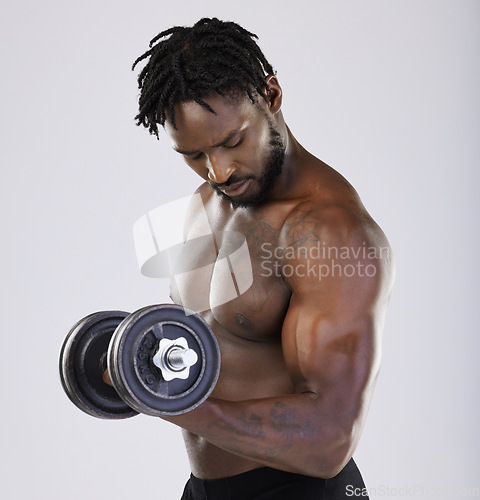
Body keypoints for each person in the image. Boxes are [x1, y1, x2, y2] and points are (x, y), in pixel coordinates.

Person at [131, 17, 395, 499]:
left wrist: (164, 400)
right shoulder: (204, 203)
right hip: (204, 489)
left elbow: (330, 440)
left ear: (271, 96)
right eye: (193, 155)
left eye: (233, 141)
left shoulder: (331, 233)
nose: (220, 170)